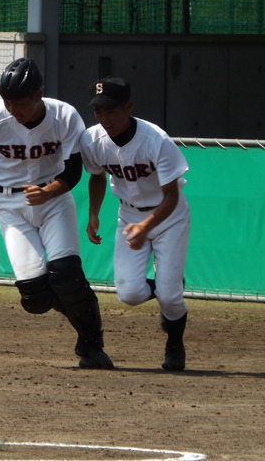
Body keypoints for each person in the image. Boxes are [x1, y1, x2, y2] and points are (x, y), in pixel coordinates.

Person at [0, 58, 113, 369]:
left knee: (66, 273)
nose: (13, 109)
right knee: (35, 300)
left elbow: (74, 169)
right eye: (8, 102)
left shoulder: (63, 115)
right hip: (10, 207)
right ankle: (80, 305)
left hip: (54, 200)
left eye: (20, 102)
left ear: (39, 94)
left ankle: (91, 343)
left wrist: (48, 192)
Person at [80, 77, 190, 371]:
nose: (104, 119)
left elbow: (171, 196)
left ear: (128, 107)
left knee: (170, 297)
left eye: (111, 111)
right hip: (129, 215)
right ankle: (169, 284)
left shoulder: (155, 140)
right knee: (129, 294)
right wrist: (93, 214)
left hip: (169, 215)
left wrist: (147, 226)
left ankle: (175, 344)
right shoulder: (92, 139)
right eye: (98, 112)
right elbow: (96, 175)